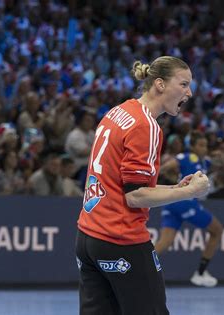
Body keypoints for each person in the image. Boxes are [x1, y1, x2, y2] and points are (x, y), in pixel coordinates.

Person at [75, 56, 210, 315]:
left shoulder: (119, 112)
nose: (189, 93)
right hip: (120, 238)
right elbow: (135, 196)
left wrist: (174, 188)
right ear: (159, 84)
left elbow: (123, 181)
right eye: (183, 84)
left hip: (88, 238)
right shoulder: (146, 125)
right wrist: (189, 192)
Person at [155, 131, 224, 287]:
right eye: (200, 145)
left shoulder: (203, 163)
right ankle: (200, 273)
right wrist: (153, 179)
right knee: (217, 230)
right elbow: (166, 167)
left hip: (172, 203)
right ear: (192, 146)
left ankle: (136, 268)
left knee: (164, 243)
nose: (204, 148)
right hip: (184, 202)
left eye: (205, 145)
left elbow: (217, 167)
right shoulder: (187, 157)